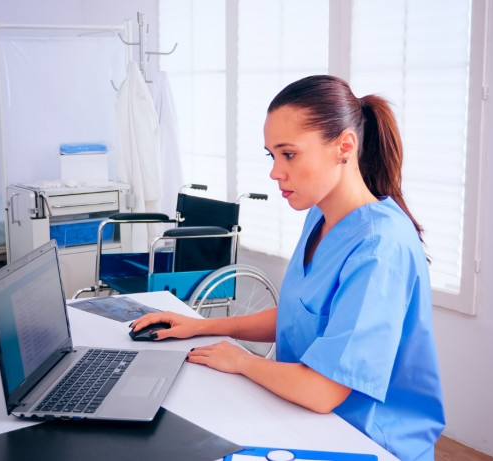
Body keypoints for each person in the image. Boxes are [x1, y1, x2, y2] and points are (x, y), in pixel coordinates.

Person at [130, 75, 445, 460]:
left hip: (369, 441)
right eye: (271, 155)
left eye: (289, 154)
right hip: (307, 421)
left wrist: (242, 361)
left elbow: (322, 390)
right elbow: (301, 316)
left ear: (344, 147)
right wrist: (200, 325)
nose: (275, 172)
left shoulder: (381, 246)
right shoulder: (320, 216)